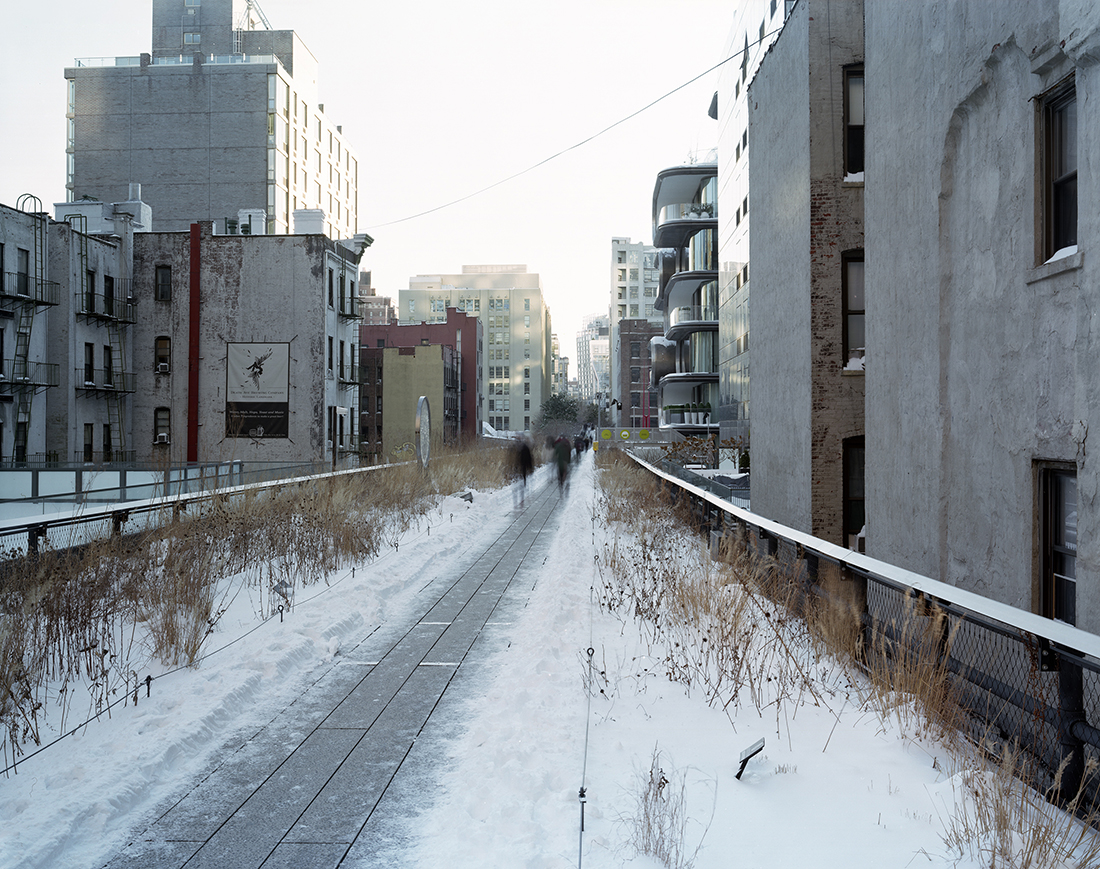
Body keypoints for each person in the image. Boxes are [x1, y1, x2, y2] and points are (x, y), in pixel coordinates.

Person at [513, 436, 534, 507]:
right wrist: (530, 467)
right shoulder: (523, 447)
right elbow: (529, 458)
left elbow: (529, 458)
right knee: (522, 478)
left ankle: (520, 496)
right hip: (521, 466)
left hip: (521, 466)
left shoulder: (517, 447)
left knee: (521, 478)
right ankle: (521, 491)